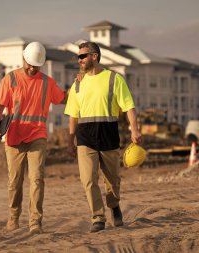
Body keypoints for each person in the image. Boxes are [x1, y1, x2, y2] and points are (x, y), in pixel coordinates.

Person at [64, 41, 142, 233]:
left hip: (108, 134)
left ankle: (114, 205)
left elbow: (129, 106)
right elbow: (73, 115)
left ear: (94, 56)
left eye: (82, 56)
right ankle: (97, 217)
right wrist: (70, 141)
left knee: (113, 180)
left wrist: (135, 129)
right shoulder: (77, 84)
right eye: (78, 57)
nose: (79, 60)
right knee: (88, 179)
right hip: (85, 137)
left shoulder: (114, 79)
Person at [0, 41, 66, 234]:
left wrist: (80, 86)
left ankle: (35, 222)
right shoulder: (10, 79)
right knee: (14, 181)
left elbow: (63, 98)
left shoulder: (48, 83)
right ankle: (13, 218)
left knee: (37, 179)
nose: (32, 68)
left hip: (37, 136)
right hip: (14, 137)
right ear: (23, 58)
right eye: (29, 64)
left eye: (36, 65)